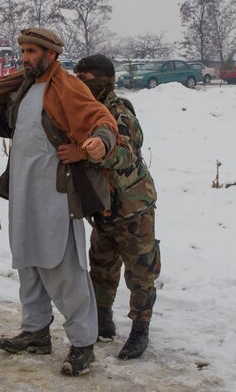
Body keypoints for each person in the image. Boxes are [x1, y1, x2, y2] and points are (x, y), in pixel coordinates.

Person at [0, 29, 121, 375]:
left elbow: (100, 119)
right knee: (27, 261)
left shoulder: (67, 86)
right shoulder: (25, 85)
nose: (25, 57)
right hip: (25, 191)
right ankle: (35, 332)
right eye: (24, 50)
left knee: (62, 268)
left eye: (32, 51)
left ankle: (83, 343)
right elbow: (13, 125)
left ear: (51, 53)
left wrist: (100, 142)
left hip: (56, 194)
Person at [57, 54, 161, 360]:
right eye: (76, 77)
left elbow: (125, 156)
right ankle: (102, 320)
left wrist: (85, 154)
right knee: (102, 267)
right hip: (104, 209)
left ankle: (140, 329)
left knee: (141, 271)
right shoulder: (86, 112)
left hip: (133, 208)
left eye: (86, 78)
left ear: (106, 80)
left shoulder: (119, 113)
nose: (79, 83)